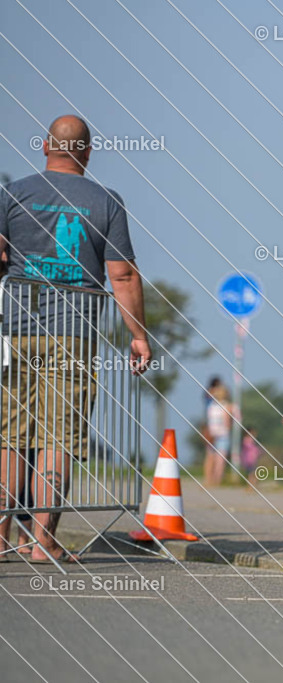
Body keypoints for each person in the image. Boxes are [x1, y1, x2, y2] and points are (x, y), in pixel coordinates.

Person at [0, 114, 151, 563]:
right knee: (59, 438)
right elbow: (121, 274)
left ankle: (2, 535)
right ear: (87, 151)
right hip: (73, 335)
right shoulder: (106, 201)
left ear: (45, 145)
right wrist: (138, 336)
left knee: (8, 436)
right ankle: (43, 541)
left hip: (14, 331)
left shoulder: (13, 194)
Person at [204, 384, 236, 486]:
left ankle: (208, 479)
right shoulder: (227, 407)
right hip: (223, 434)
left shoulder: (211, 406)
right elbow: (227, 423)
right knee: (220, 460)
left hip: (212, 435)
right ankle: (217, 480)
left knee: (210, 457)